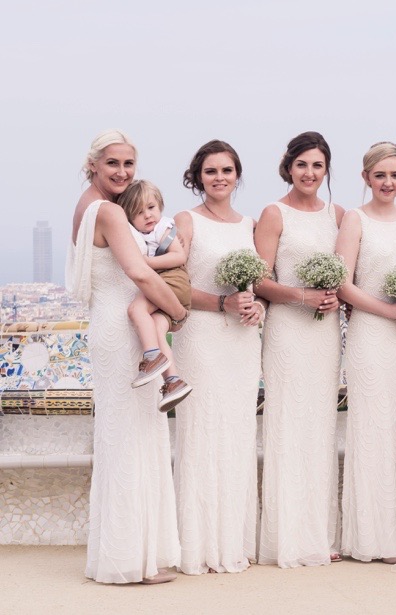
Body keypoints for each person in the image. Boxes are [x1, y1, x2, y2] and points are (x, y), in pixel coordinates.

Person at [67, 130, 186, 584]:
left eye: (128, 164)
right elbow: (136, 270)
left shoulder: (85, 206)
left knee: (123, 439)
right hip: (124, 329)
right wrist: (176, 310)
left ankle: (123, 556)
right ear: (93, 164)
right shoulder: (111, 212)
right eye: (113, 163)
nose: (121, 172)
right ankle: (130, 562)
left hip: (111, 326)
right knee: (131, 442)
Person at [254, 132, 346, 568]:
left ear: (327, 170)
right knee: (290, 425)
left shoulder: (338, 215)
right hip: (288, 333)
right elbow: (258, 279)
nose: (310, 173)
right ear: (288, 167)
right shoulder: (274, 214)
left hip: (326, 335)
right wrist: (302, 296)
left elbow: (350, 275)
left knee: (320, 428)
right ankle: (288, 536)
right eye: (302, 165)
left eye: (318, 166)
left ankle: (321, 532)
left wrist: (335, 298)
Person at [173, 140, 264, 574]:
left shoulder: (250, 224)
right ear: (198, 177)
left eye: (227, 170)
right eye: (211, 171)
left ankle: (232, 541)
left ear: (237, 174)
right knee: (202, 431)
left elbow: (259, 283)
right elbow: (175, 284)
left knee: (237, 434)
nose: (220, 178)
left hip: (243, 343)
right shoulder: (185, 221)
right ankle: (197, 545)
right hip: (203, 338)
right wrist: (221, 304)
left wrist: (254, 306)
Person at [336, 142, 396, 564]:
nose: (388, 182)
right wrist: (388, 310)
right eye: (380, 175)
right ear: (366, 178)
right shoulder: (355, 220)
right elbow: (344, 284)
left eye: (395, 175)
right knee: (373, 429)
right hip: (371, 334)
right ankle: (373, 537)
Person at [116, 180, 193, 413]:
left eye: (151, 207)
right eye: (139, 212)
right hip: (167, 287)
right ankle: (173, 382)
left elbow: (179, 257)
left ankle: (152, 357)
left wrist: (146, 263)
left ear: (160, 206)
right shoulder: (140, 233)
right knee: (157, 331)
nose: (148, 215)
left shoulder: (163, 228)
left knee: (136, 310)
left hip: (172, 282)